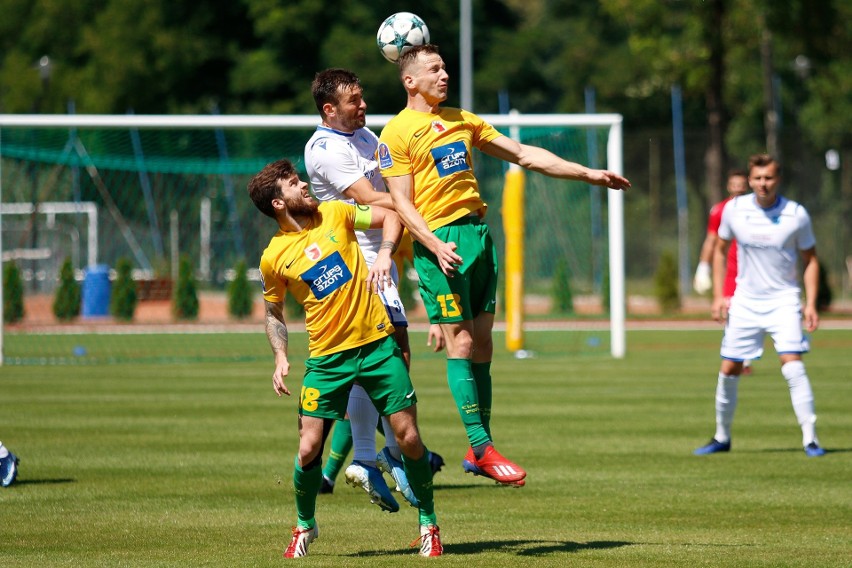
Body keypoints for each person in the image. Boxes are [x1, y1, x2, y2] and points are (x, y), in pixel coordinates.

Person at [378, 44, 631, 486]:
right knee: (459, 345)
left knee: (483, 345)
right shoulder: (396, 133)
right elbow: (400, 201)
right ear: (409, 81)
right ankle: (482, 446)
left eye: (445, 68)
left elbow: (524, 154)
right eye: (434, 69)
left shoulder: (462, 119)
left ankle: (480, 451)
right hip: (443, 243)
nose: (444, 75)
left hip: (478, 235)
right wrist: (434, 244)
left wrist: (588, 173)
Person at [247, 159, 442, 557]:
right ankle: (305, 526)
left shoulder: (335, 211)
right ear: (277, 204)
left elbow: (390, 213)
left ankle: (429, 524)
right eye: (292, 183)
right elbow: (273, 311)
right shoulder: (273, 257)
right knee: (307, 448)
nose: (303, 185)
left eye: (299, 178)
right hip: (326, 360)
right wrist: (280, 355)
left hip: (376, 346)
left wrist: (385, 253)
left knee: (409, 437)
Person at [305, 68, 445, 512]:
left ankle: (369, 455)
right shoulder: (324, 149)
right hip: (354, 266)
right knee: (386, 359)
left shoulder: (367, 139)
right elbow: (370, 198)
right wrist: (411, 200)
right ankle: (372, 453)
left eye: (362, 97)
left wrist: (403, 198)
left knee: (394, 356)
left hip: (380, 260)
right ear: (330, 109)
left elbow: (391, 194)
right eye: (353, 101)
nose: (363, 106)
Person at [694, 153, 826, 458]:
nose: (762, 184)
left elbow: (811, 259)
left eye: (768, 178)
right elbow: (719, 250)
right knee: (729, 368)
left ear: (778, 180)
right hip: (745, 302)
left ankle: (811, 439)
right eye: (757, 178)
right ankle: (721, 437)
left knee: (792, 364)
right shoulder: (734, 210)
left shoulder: (796, 214)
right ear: (749, 180)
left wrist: (811, 303)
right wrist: (717, 296)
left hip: (783, 301)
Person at [693, 168, 755, 373]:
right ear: (728, 186)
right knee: (732, 312)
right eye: (734, 185)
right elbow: (712, 240)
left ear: (746, 185)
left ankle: (745, 356)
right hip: (731, 268)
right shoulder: (721, 210)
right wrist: (703, 266)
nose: (737, 189)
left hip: (754, 268)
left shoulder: (757, 208)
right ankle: (740, 358)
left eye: (741, 185)